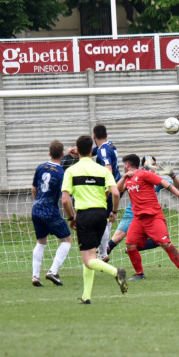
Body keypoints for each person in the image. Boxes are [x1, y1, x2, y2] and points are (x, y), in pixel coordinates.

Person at [61, 135, 127, 304]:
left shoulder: (71, 171)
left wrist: (71, 217)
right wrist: (113, 211)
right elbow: (116, 193)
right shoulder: (103, 170)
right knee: (89, 254)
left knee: (88, 259)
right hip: (101, 215)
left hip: (85, 215)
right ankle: (86, 296)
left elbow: (65, 200)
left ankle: (116, 272)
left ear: (77, 149)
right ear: (92, 150)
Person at [105, 156, 179, 279]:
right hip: (138, 219)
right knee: (130, 245)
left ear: (127, 165)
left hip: (153, 217)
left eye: (124, 165)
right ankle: (140, 274)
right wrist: (124, 177)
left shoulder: (143, 174)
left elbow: (163, 182)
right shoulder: (128, 179)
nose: (123, 167)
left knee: (165, 243)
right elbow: (117, 191)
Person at [30, 140, 73, 287]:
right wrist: (71, 216)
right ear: (62, 154)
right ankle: (53, 271)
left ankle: (35, 276)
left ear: (49, 153)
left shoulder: (40, 167)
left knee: (41, 241)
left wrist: (38, 203)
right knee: (67, 240)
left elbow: (34, 189)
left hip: (36, 208)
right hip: (50, 210)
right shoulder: (62, 173)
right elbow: (65, 198)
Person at [92, 124, 121, 260]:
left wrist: (106, 189)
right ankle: (102, 251)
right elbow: (97, 150)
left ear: (94, 136)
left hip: (108, 189)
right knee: (107, 219)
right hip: (116, 184)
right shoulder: (110, 145)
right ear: (107, 135)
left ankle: (103, 253)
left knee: (103, 220)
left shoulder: (102, 150)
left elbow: (108, 168)